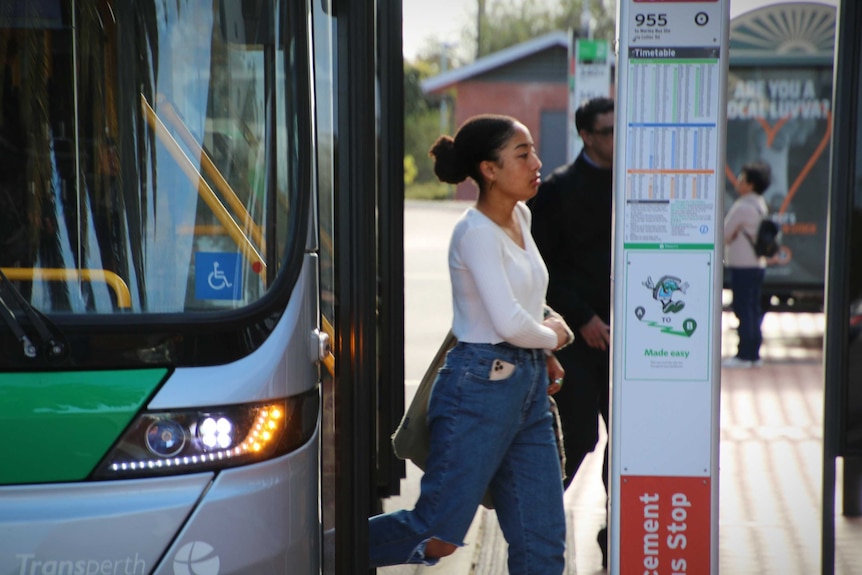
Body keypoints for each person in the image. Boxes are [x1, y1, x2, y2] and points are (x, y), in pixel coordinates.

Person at [369, 114, 573, 573]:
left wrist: (545, 350)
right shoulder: (473, 232)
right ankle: (311, 553)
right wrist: (554, 336)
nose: (536, 162)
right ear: (489, 169)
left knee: (543, 542)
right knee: (436, 534)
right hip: (479, 388)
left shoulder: (521, 214)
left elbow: (526, 302)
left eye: (533, 151)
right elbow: (506, 322)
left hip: (528, 391)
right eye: (523, 155)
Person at [527, 96, 615, 568]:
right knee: (577, 437)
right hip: (579, 340)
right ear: (585, 134)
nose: (617, 139)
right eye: (608, 131)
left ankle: (614, 533)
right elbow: (543, 269)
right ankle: (537, 525)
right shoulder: (559, 189)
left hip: (633, 339)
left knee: (629, 442)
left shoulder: (634, 183)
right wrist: (582, 317)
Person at [723, 161, 773, 368]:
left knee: (743, 309)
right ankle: (753, 354)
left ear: (751, 184)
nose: (739, 181)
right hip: (758, 265)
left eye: (742, 178)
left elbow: (725, 233)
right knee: (752, 309)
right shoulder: (760, 203)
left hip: (742, 265)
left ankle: (744, 355)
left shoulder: (742, 207)